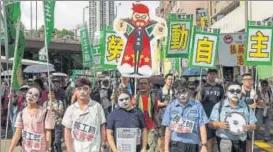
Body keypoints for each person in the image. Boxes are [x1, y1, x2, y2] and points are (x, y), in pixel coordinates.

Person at [162, 80, 208, 152]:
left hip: (193, 143)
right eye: (178, 93)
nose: (182, 95)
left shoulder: (197, 105)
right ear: (174, 94)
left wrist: (204, 145)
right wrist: (166, 148)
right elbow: (168, 129)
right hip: (176, 143)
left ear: (188, 90)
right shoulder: (171, 106)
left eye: (184, 91)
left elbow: (202, 126)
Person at [209, 82, 257, 152]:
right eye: (232, 91)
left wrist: (250, 127)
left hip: (241, 142)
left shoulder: (246, 106)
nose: (235, 93)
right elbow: (210, 124)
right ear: (226, 93)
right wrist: (219, 124)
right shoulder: (219, 106)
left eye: (238, 91)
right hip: (225, 141)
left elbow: (254, 125)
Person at [62, 78, 106, 152]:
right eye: (79, 89)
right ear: (75, 91)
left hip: (94, 148)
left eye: (85, 89)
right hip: (76, 149)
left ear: (90, 90)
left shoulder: (97, 107)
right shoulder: (70, 109)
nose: (82, 92)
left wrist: (103, 145)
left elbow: (102, 127)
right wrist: (69, 149)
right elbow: (67, 131)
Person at [8, 85, 55, 152]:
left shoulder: (45, 113)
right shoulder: (21, 113)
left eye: (35, 95)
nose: (31, 96)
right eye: (29, 93)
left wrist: (48, 149)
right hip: (25, 148)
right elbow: (17, 133)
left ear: (39, 99)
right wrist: (10, 150)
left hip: (40, 149)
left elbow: (48, 132)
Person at [200, 69, 225, 152]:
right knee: (209, 140)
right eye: (210, 74)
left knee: (220, 139)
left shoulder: (220, 87)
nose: (212, 75)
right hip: (207, 117)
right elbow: (198, 102)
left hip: (218, 117)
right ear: (207, 75)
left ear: (216, 75)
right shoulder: (203, 87)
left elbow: (223, 101)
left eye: (214, 74)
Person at [136, 78, 160, 152]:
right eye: (141, 83)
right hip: (137, 130)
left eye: (145, 83)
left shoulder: (153, 98)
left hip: (150, 130)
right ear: (138, 85)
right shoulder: (134, 98)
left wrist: (159, 127)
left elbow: (155, 114)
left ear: (149, 85)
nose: (143, 85)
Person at [240, 73, 263, 152]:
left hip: (251, 119)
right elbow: (235, 105)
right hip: (241, 118)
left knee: (250, 139)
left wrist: (258, 101)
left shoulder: (256, 90)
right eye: (246, 79)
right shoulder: (238, 91)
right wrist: (249, 106)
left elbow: (261, 103)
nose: (248, 81)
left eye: (250, 79)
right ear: (242, 81)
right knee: (240, 140)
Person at [156, 73, 174, 152]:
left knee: (171, 135)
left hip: (172, 117)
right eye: (169, 79)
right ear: (165, 80)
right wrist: (164, 103)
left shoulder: (174, 91)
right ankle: (161, 150)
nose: (171, 81)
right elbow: (157, 103)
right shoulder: (160, 91)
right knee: (162, 136)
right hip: (162, 117)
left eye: (172, 79)